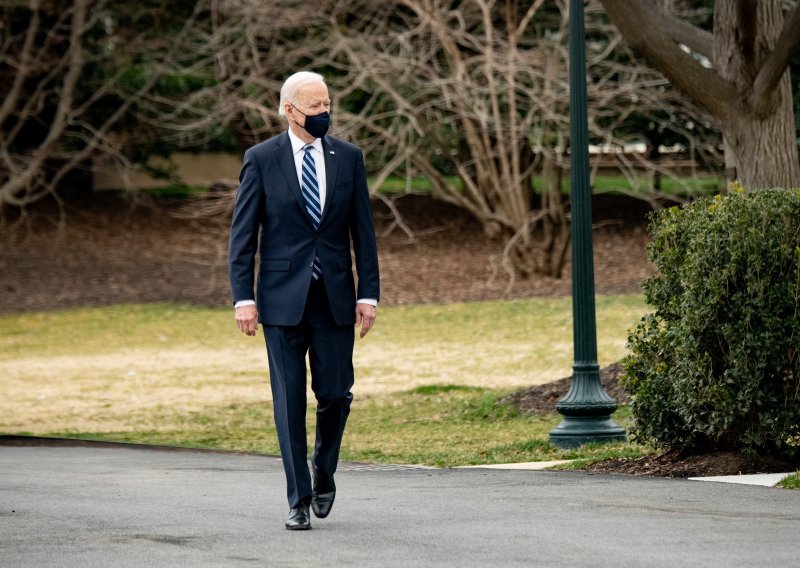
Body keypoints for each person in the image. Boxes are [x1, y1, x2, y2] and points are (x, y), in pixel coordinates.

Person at [228, 71, 380, 530]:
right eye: (314, 107)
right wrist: (243, 298)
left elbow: (364, 233)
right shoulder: (261, 159)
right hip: (279, 302)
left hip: (334, 297)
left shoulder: (348, 157)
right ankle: (297, 499)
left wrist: (368, 294)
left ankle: (324, 469)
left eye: (327, 104)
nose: (324, 114)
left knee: (335, 395)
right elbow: (243, 236)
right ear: (289, 110)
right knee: (289, 401)